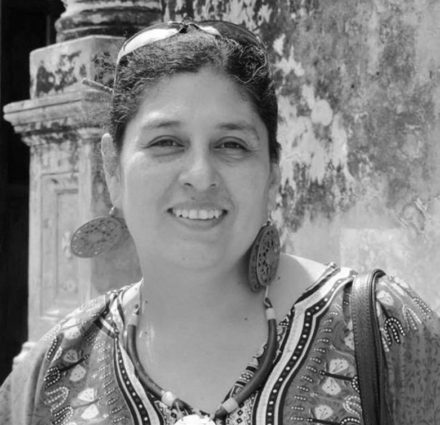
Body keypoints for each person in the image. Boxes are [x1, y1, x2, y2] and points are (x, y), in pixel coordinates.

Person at [1, 20, 439, 425]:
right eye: (166, 142)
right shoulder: (51, 375)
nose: (200, 175)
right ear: (112, 169)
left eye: (231, 144)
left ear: (272, 174)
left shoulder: (381, 329)